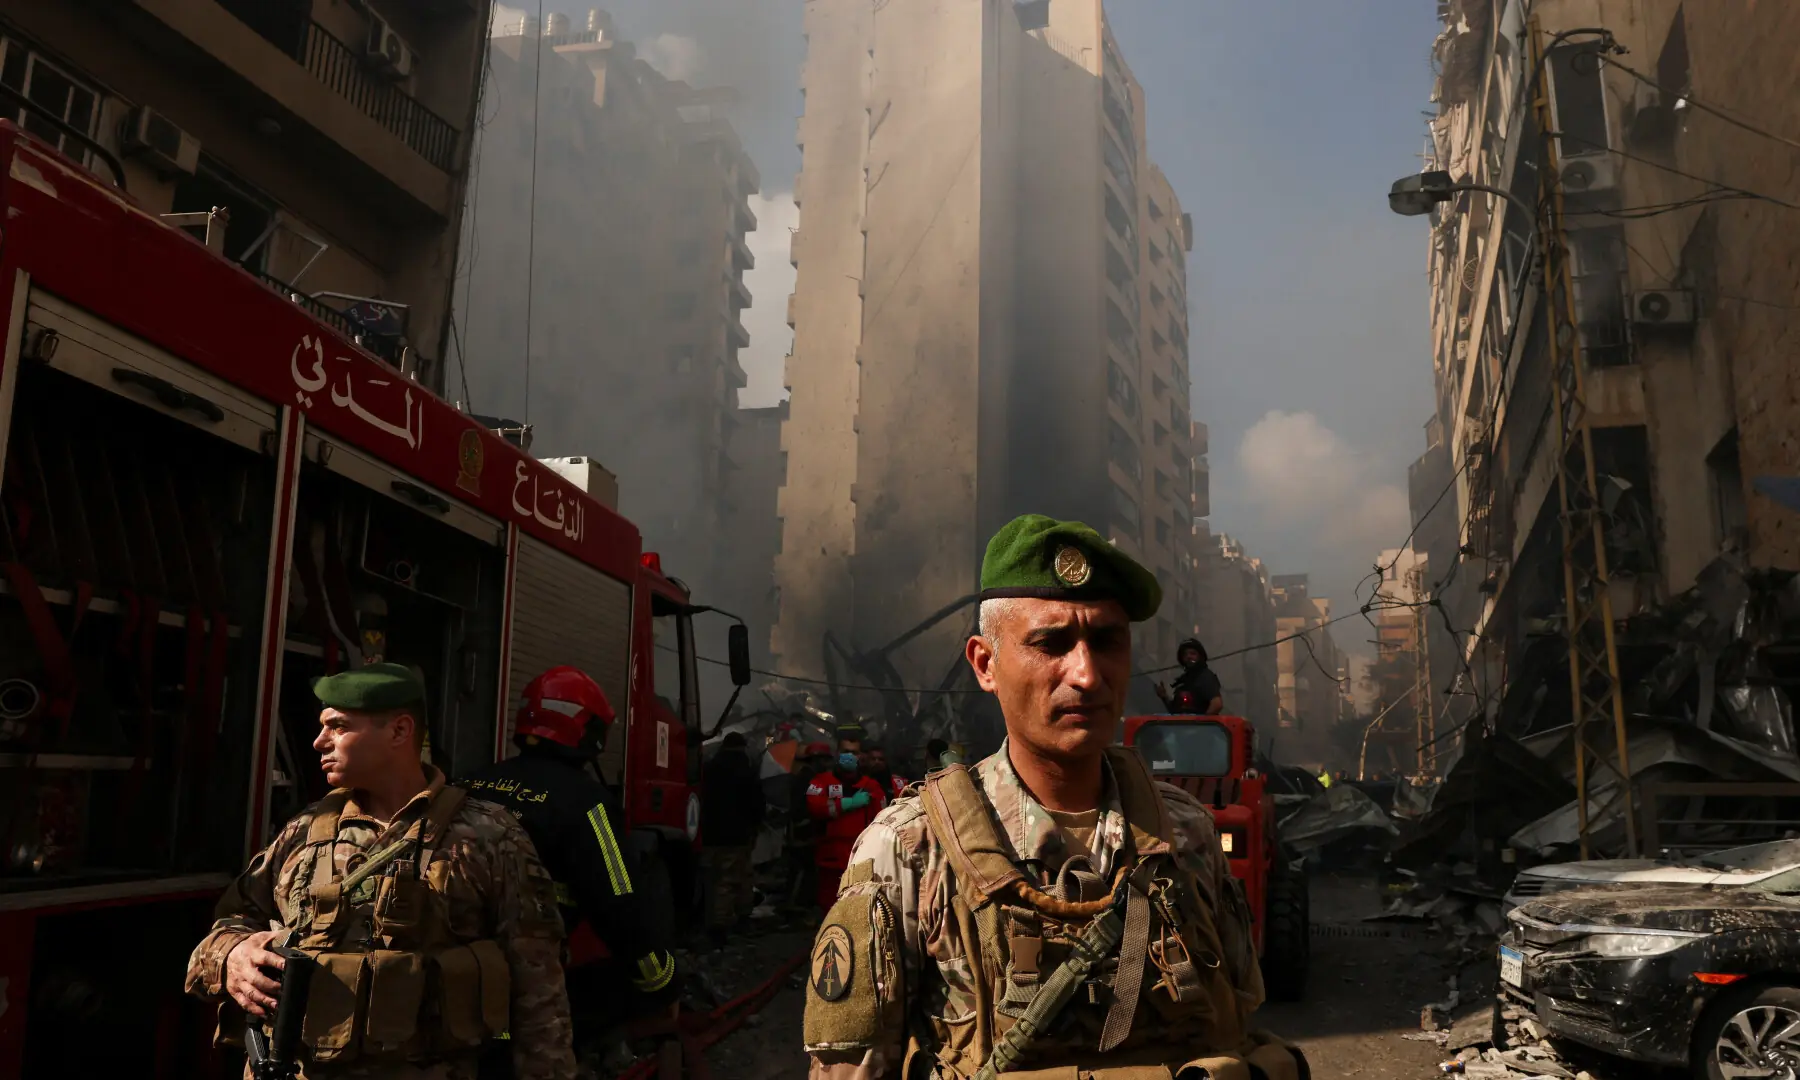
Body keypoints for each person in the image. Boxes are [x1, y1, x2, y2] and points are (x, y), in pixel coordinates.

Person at [802, 515, 1302, 1079]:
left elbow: (1233, 1018)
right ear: (985, 665)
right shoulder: (909, 848)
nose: (1086, 674)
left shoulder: (1184, 831)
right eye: (1051, 643)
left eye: (1107, 641)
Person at [184, 663, 575, 1080]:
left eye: (338, 727)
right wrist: (231, 956)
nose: (319, 742)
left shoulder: (489, 836)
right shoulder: (304, 831)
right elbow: (229, 923)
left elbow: (540, 993)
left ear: (399, 732)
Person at [454, 666, 678, 1072]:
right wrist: (662, 980)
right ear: (586, 730)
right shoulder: (587, 803)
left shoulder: (470, 782)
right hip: (527, 978)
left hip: (452, 968)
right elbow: (621, 907)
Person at [701, 731, 767, 948]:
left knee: (715, 877)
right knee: (737, 878)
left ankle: (717, 921)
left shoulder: (709, 768)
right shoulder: (746, 771)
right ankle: (728, 924)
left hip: (710, 834)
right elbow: (757, 804)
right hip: (738, 835)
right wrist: (755, 827)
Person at [805, 740, 888, 911]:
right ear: (837, 753)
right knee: (829, 898)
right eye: (845, 751)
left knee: (858, 897)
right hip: (830, 849)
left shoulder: (870, 785)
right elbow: (813, 806)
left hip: (862, 850)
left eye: (855, 752)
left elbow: (882, 815)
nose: (850, 756)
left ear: (861, 756)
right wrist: (846, 804)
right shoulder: (821, 781)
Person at [786, 741, 834, 909]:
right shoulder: (806, 780)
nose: (826, 764)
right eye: (824, 760)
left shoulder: (811, 778)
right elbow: (801, 809)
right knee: (803, 871)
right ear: (814, 760)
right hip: (804, 832)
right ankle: (796, 907)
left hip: (810, 831)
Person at [1155, 636, 1225, 715]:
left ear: (1200, 656)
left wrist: (1201, 724)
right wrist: (1164, 697)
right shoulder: (1186, 680)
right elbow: (1177, 712)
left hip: (1197, 727)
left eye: (1193, 653)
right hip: (1183, 726)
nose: (1188, 657)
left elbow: (1217, 704)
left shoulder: (1205, 677)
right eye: (1185, 654)